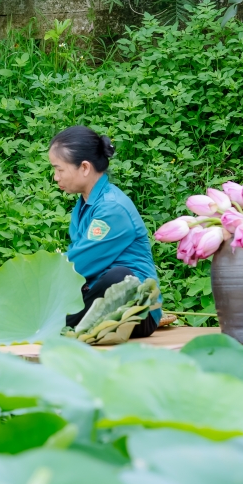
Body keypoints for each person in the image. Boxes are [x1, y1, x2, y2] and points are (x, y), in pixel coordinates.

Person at [48, 125, 160, 337]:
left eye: (59, 169)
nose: (56, 177)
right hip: (94, 297)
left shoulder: (112, 209)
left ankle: (49, 321)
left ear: (84, 167)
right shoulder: (84, 205)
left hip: (136, 312)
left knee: (120, 278)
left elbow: (79, 264)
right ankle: (52, 319)